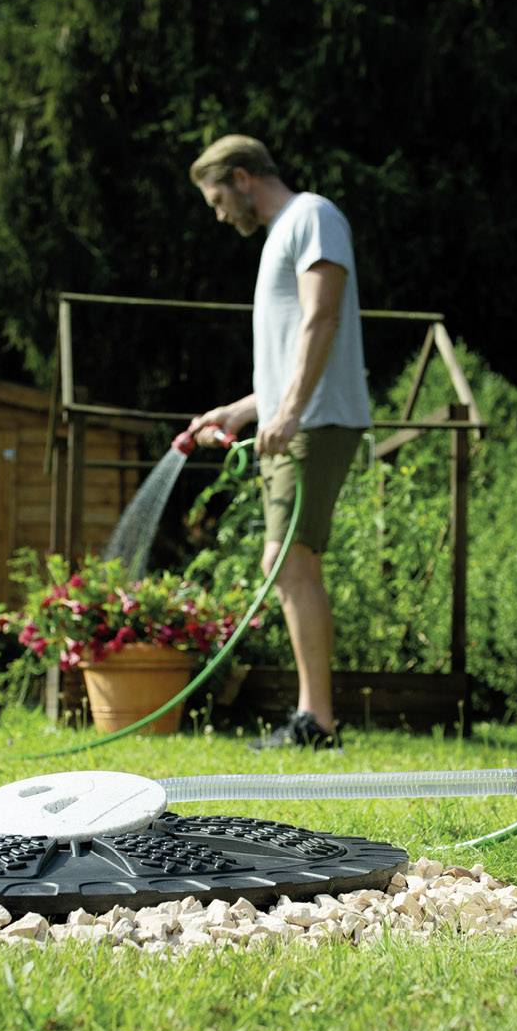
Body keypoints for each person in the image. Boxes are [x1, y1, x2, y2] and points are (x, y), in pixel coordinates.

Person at [187, 135, 370, 751]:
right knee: (285, 562)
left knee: (291, 563)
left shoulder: (312, 216)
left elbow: (323, 318)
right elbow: (291, 355)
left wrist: (290, 412)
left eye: (217, 199)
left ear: (242, 178)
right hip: (299, 418)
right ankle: (313, 717)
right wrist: (238, 411)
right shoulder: (281, 235)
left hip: (317, 422)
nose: (217, 214)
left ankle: (317, 723)